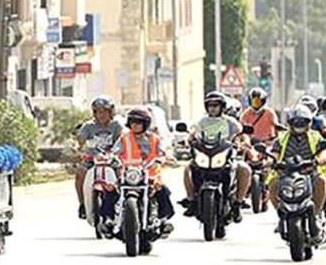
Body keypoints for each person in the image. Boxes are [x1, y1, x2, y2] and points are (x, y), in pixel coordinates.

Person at [99, 107, 174, 237]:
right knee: (111, 189)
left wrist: (166, 157)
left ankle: (164, 220)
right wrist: (108, 157)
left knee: (162, 190)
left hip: (149, 175)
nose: (135, 125)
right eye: (133, 122)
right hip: (128, 175)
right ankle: (108, 221)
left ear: (145, 123)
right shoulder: (124, 138)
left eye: (139, 122)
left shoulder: (154, 138)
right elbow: (114, 151)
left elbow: (162, 152)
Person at [181, 91, 249, 220]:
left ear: (222, 106)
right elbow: (192, 133)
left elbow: (242, 134)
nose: (212, 108)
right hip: (204, 156)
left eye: (215, 105)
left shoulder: (230, 122)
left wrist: (244, 143)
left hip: (225, 156)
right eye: (210, 105)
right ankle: (191, 201)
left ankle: (238, 203)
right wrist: (187, 141)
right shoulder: (202, 121)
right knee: (187, 169)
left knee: (245, 169)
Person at [268, 104, 326, 241]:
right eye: (296, 122)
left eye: (303, 122)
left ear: (308, 123)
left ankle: (316, 214)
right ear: (290, 123)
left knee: (321, 181)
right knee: (273, 184)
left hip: (309, 171)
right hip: (286, 173)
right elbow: (274, 154)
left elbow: (323, 152)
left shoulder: (315, 136)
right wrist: (270, 161)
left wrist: (321, 159)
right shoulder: (282, 137)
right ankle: (282, 215)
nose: (299, 125)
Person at [74, 95, 123, 219]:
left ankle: (122, 201)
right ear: (94, 113)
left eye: (105, 111)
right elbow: (79, 141)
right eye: (99, 112)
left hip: (111, 159)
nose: (102, 115)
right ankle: (82, 204)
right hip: (92, 159)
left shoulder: (117, 126)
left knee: (121, 174)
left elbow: (123, 140)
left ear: (111, 112)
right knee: (80, 173)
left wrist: (118, 154)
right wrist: (76, 150)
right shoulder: (88, 126)